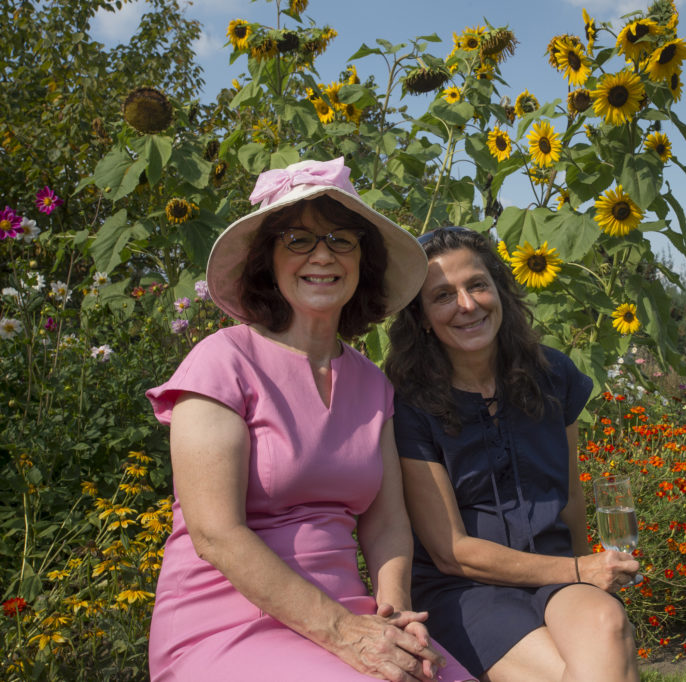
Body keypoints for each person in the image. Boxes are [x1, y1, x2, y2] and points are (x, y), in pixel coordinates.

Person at [145, 158, 474, 682]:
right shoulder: (221, 362)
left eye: (342, 240)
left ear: (363, 260)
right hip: (227, 623)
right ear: (267, 260)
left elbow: (387, 523)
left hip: (352, 616)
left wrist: (395, 614)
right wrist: (343, 633)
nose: (322, 255)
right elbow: (215, 534)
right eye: (297, 239)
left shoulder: (373, 385)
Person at [385, 227, 641, 682]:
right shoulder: (410, 405)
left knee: (607, 623)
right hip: (463, 591)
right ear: (422, 317)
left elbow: (569, 496)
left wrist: (593, 578)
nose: (467, 305)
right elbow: (452, 552)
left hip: (556, 576)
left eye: (477, 285)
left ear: (500, 290)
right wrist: (580, 568)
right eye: (443, 295)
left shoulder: (552, 373)